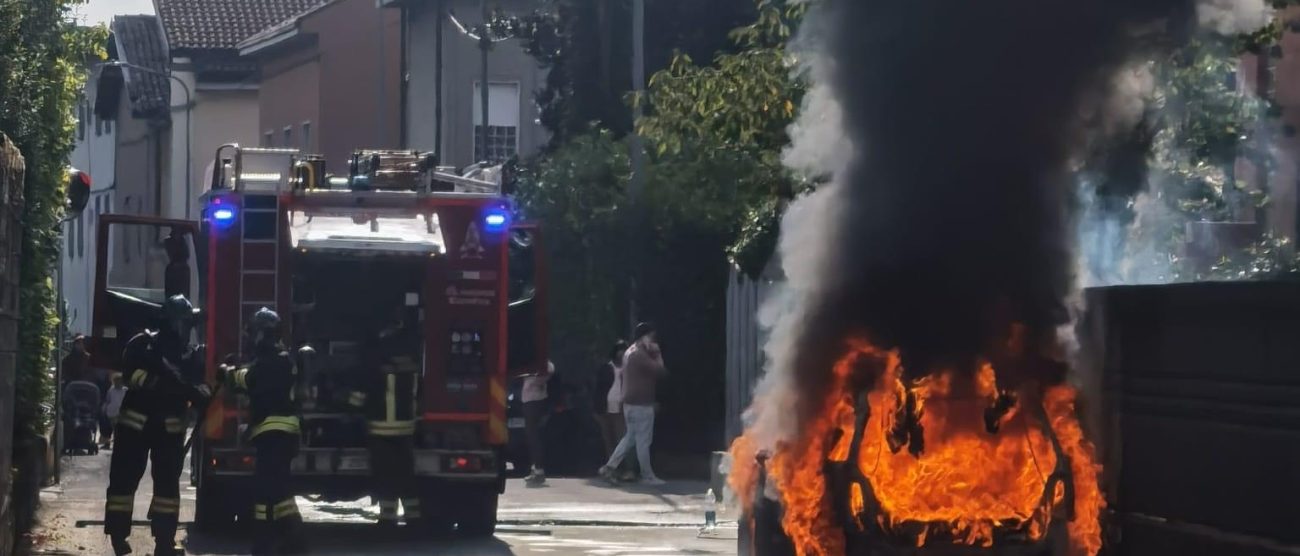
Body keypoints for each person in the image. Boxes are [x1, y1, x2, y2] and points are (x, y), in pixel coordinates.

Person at [103, 295, 210, 556]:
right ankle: (118, 538)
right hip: (135, 427)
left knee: (167, 491)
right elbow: (131, 375)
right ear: (173, 322)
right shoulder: (142, 345)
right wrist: (165, 384)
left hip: (168, 431)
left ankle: (164, 543)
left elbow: (198, 385)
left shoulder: (188, 354)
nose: (187, 328)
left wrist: (199, 394)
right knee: (123, 483)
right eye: (184, 323)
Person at [219, 308, 305, 554]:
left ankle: (286, 542)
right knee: (274, 491)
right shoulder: (281, 359)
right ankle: (278, 542)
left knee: (272, 491)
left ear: (262, 334)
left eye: (255, 333)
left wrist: (226, 372)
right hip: (279, 436)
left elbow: (246, 380)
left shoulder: (273, 361)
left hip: (274, 436)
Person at [349, 306, 423, 528]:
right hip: (406, 427)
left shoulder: (374, 361)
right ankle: (414, 515)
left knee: (386, 475)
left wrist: (349, 409)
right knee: (406, 474)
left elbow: (361, 394)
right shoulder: (411, 359)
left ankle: (388, 517)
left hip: (380, 428)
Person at [599, 323, 667, 486]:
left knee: (629, 438)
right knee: (644, 440)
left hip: (630, 403)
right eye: (651, 337)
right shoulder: (640, 354)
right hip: (641, 403)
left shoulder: (630, 352)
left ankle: (609, 466)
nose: (653, 340)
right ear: (644, 337)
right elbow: (660, 371)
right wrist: (657, 353)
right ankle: (647, 476)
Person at [521, 360, 555, 485]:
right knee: (531, 437)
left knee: (534, 436)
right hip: (528, 400)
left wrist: (537, 379)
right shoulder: (530, 364)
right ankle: (535, 468)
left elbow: (550, 369)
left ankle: (539, 470)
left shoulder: (543, 363)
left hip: (535, 401)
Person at [594, 340, 628, 461]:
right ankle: (611, 464)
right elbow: (599, 389)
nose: (622, 353)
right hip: (605, 408)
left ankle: (621, 465)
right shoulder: (606, 368)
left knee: (621, 437)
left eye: (624, 350)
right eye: (620, 350)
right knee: (608, 438)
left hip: (621, 409)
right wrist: (597, 410)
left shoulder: (628, 369)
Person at [100, 372, 126, 449]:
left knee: (119, 429)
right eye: (116, 381)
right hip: (112, 412)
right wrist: (104, 408)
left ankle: (118, 443)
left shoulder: (125, 390)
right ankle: (107, 443)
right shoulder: (111, 390)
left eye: (119, 381)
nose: (118, 383)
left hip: (121, 412)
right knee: (109, 429)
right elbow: (108, 400)